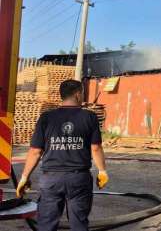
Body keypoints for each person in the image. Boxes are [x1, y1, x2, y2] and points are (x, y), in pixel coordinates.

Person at [16, 79, 109, 231]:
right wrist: (102, 171)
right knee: (79, 223)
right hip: (78, 179)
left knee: (46, 225)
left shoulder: (46, 118)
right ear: (78, 94)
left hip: (51, 179)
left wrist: (25, 177)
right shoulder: (89, 117)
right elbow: (96, 148)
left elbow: (35, 151)